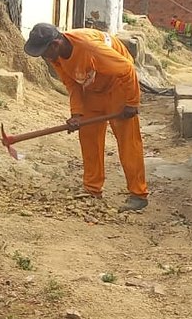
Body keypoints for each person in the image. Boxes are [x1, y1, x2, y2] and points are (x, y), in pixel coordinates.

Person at [23, 23, 149, 212]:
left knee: (128, 141)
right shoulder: (56, 57)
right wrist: (76, 114)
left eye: (44, 51)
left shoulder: (90, 48)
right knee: (89, 136)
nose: (43, 56)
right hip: (92, 87)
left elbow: (127, 69)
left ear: (55, 44)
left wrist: (132, 102)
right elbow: (72, 84)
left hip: (118, 85)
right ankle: (92, 188)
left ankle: (138, 194)